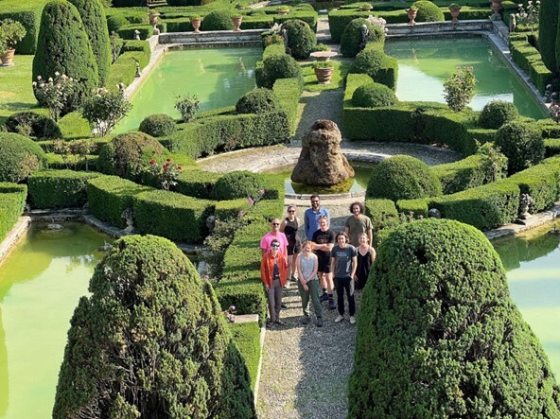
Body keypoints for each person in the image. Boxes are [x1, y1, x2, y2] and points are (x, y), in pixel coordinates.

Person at [330, 231, 357, 324]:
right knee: (340, 297)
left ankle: (352, 315)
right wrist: (332, 274)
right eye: (339, 239)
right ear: (337, 240)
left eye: (342, 238)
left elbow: (355, 263)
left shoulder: (351, 249)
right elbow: (333, 262)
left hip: (348, 277)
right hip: (338, 277)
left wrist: (352, 275)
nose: (341, 240)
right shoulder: (335, 249)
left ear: (346, 239)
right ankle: (341, 314)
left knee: (350, 297)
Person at [260, 239, 288, 326]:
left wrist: (284, 280)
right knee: (272, 303)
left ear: (279, 247)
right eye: (273, 245)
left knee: (279, 301)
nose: (275, 247)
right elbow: (263, 271)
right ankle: (272, 320)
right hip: (270, 282)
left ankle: (277, 318)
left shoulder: (281, 256)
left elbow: (285, 268)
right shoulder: (266, 257)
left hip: (279, 282)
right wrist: (266, 283)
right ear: (270, 246)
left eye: (277, 246)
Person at [296, 240, 323, 327]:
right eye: (305, 248)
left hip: (312, 280)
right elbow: (299, 270)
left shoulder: (314, 257)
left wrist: (307, 280)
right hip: (302, 280)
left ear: (311, 249)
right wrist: (303, 282)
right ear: (302, 248)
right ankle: (306, 315)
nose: (307, 249)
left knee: (315, 299)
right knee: (304, 299)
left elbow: (315, 270)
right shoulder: (299, 257)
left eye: (309, 248)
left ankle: (319, 316)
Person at [312, 216, 336, 310]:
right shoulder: (316, 233)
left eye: (324, 222)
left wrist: (318, 246)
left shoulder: (331, 233)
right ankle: (325, 293)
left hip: (328, 259)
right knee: (321, 276)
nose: (322, 224)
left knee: (329, 278)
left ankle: (331, 298)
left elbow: (329, 248)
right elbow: (312, 246)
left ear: (327, 222)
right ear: (319, 223)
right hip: (318, 258)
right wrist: (323, 245)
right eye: (321, 222)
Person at [280, 205, 300, 282]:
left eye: (293, 211)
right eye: (290, 211)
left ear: (295, 212)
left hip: (296, 241)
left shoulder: (297, 219)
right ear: (287, 212)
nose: (291, 212)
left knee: (295, 260)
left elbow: (297, 230)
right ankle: (287, 278)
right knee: (289, 261)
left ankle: (293, 275)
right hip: (288, 243)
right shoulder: (285, 222)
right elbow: (281, 232)